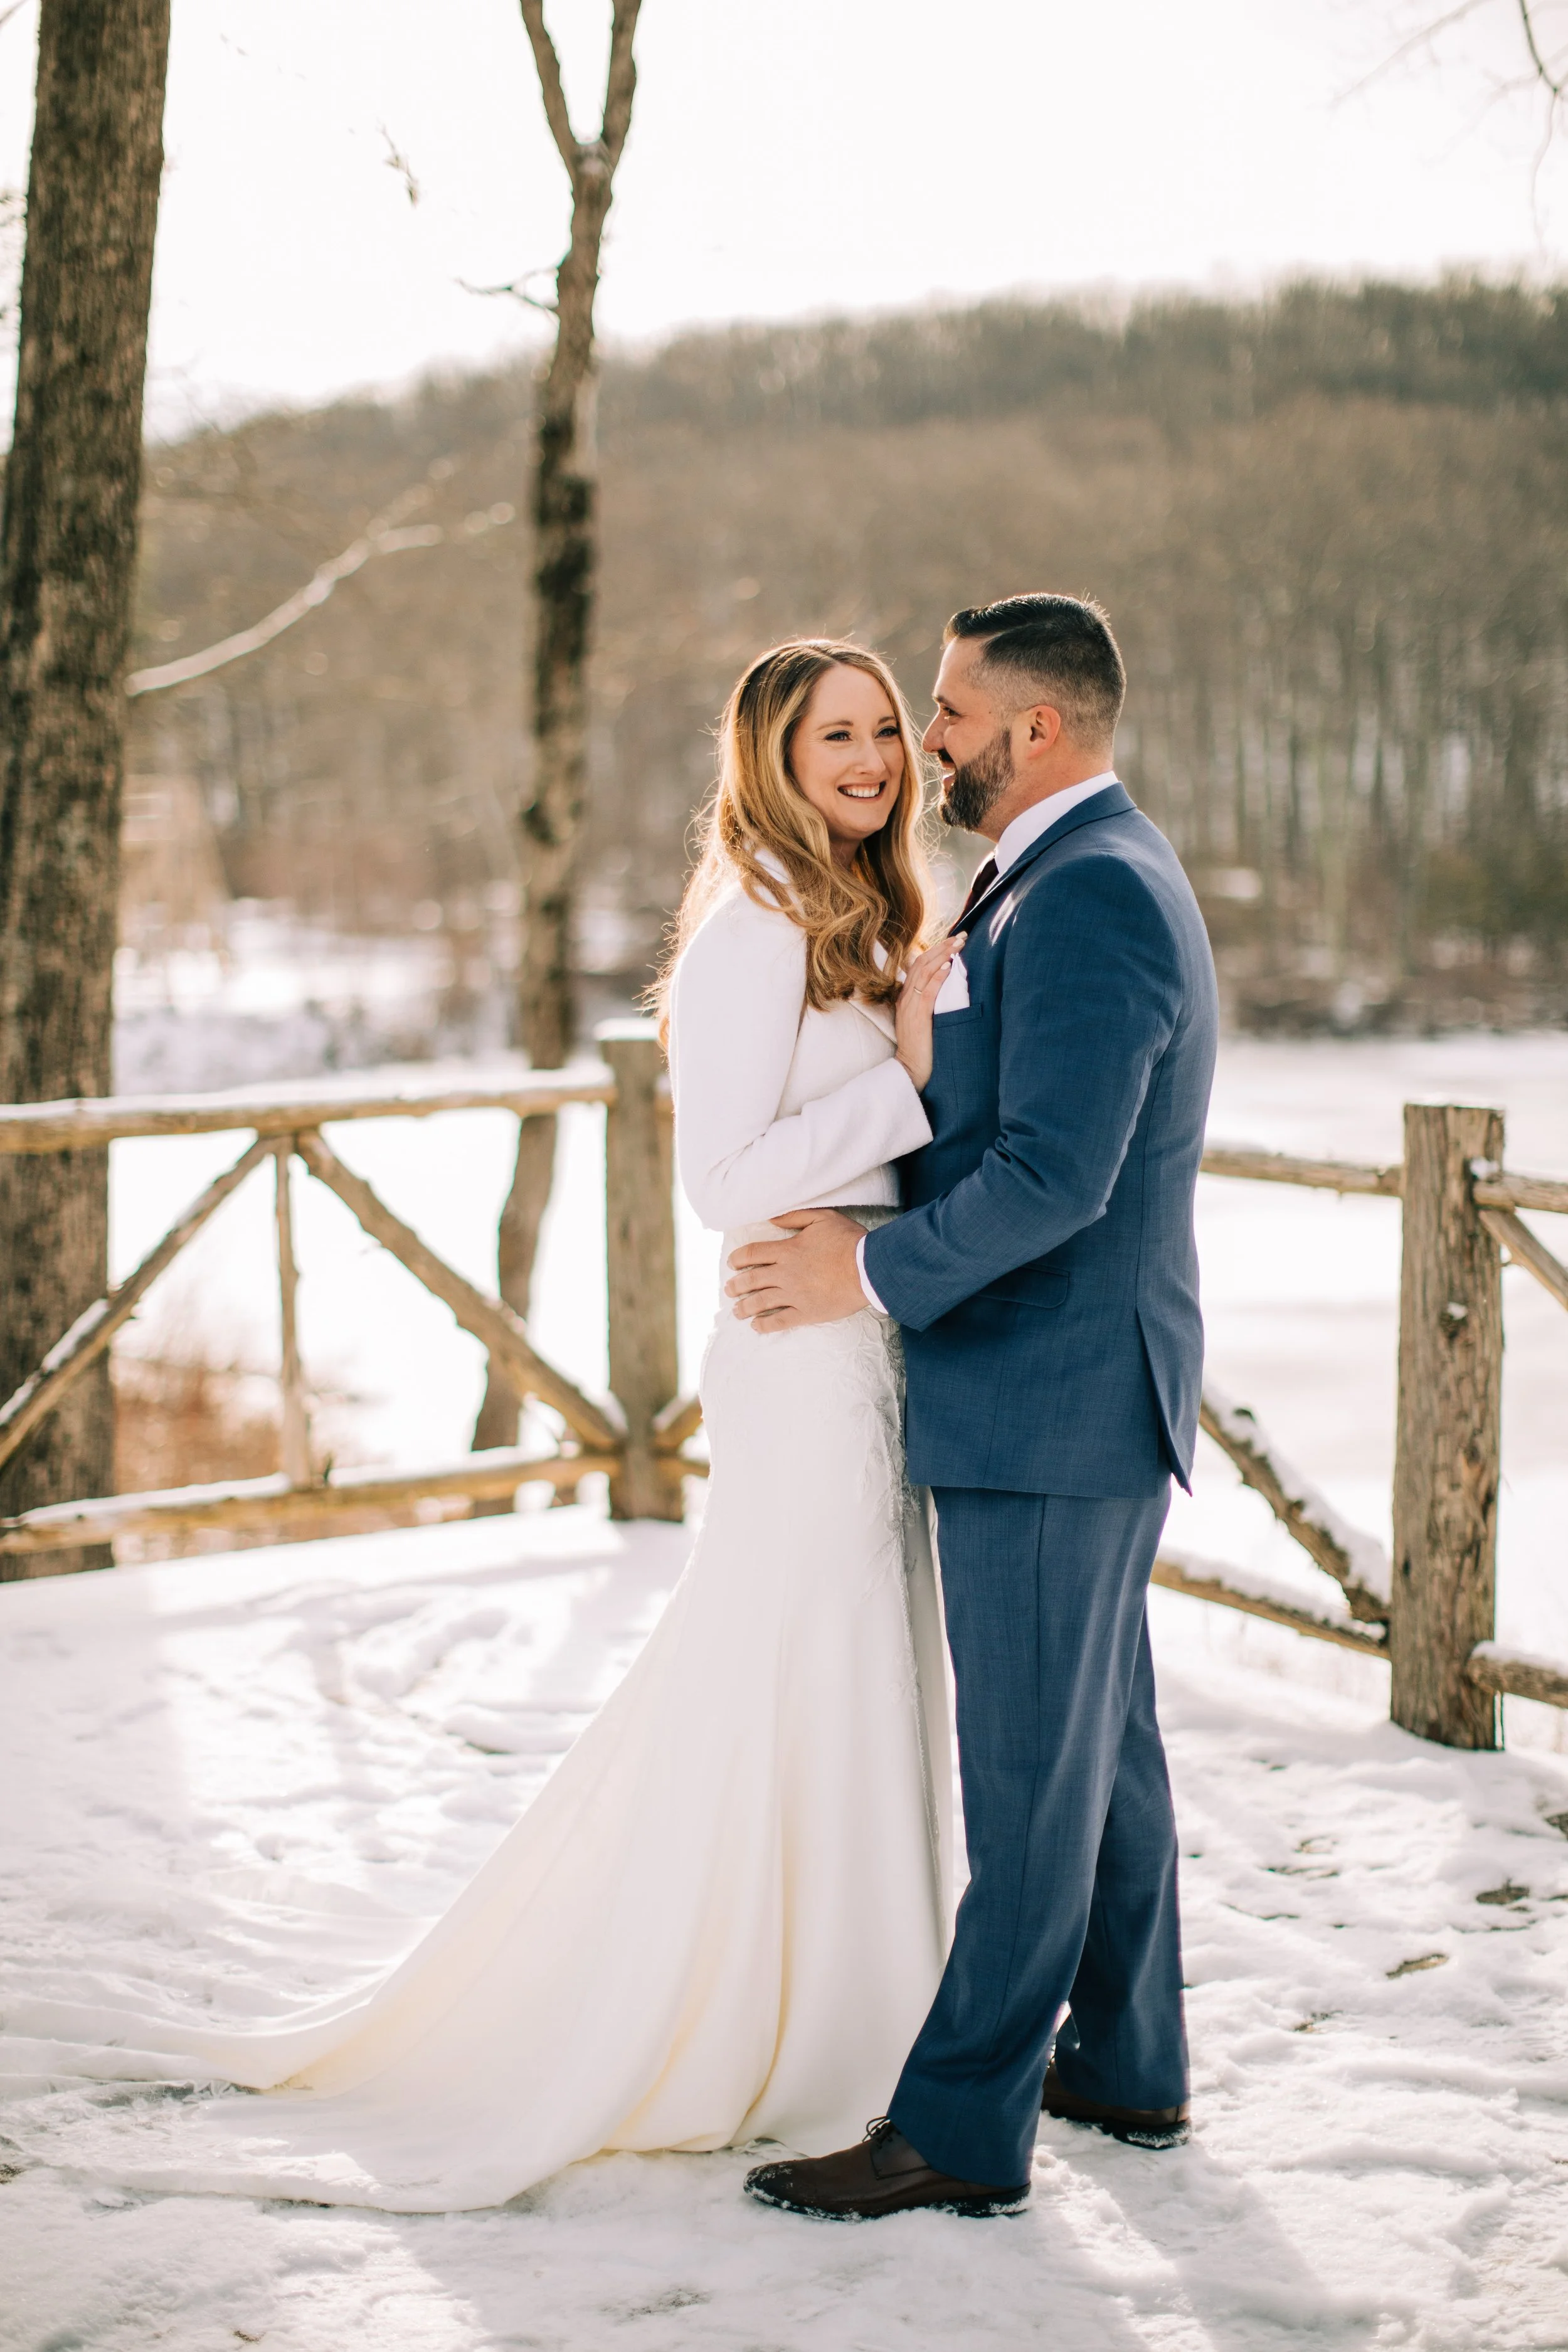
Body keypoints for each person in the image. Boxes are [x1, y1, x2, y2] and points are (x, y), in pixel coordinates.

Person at [0, 638, 966, 2213]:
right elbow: (721, 1182)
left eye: (879, 729)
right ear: (768, 763)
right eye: (831, 736)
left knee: (861, 1662)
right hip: (796, 1353)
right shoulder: (749, 935)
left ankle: (873, 2009)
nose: (868, 757)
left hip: (865, 1340)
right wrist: (911, 1084)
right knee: (790, 1658)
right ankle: (761, 2023)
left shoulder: (868, 918)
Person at [728, 593, 1220, 2220]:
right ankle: (1128, 2055)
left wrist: (866, 1272)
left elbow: (1051, 1175)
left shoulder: (1092, 896)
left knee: (1025, 1784)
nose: (923, 740)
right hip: (1062, 1394)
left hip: (1048, 1401)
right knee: (1103, 1750)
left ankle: (956, 2125)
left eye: (943, 711)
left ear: (1035, 731)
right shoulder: (1053, 875)